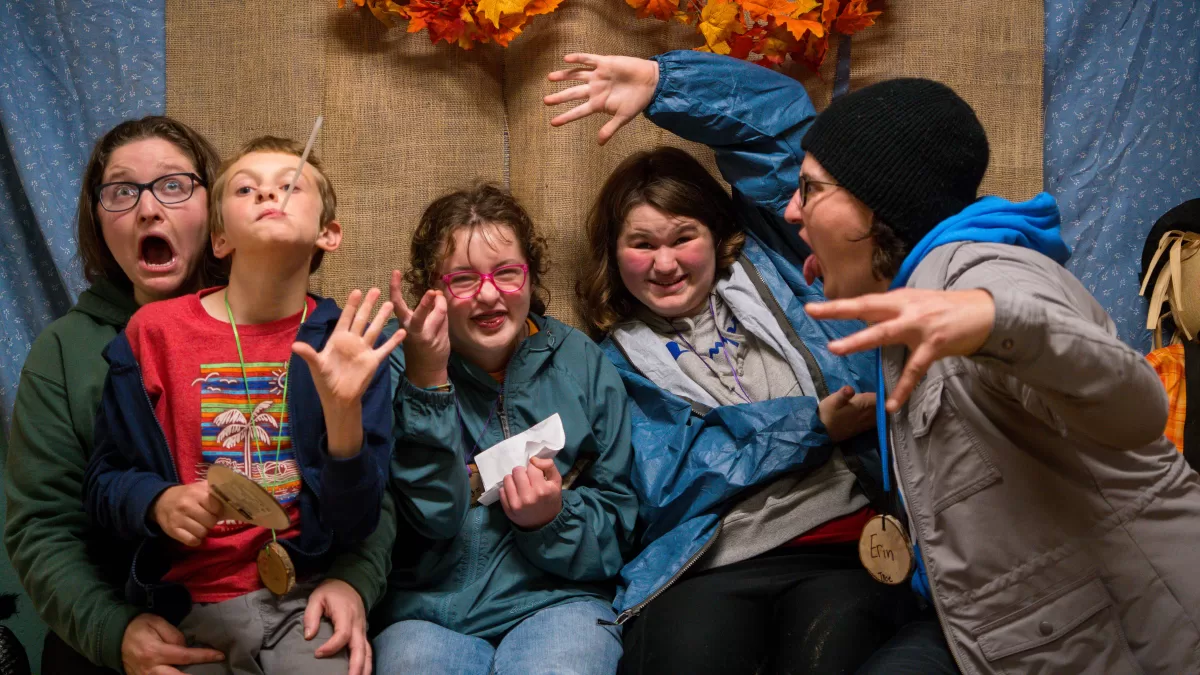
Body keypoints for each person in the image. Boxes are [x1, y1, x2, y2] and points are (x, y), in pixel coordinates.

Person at [548, 52, 954, 674]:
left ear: (718, 232)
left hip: (842, 545)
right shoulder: (606, 362)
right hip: (707, 565)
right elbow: (666, 484)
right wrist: (811, 425)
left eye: (682, 236)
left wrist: (665, 85)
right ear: (613, 253)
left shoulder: (794, 268)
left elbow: (786, 132)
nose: (665, 264)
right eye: (642, 244)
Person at [793, 77, 1200, 672]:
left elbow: (1135, 404)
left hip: (1133, 641)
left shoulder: (981, 274)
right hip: (1001, 632)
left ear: (879, 206)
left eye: (809, 188)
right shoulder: (914, 290)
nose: (790, 209)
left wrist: (996, 318)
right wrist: (663, 86)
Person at [83, 136, 401, 675]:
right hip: (180, 613)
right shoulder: (153, 334)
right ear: (221, 238)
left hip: (302, 601)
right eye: (246, 187)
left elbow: (357, 522)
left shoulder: (347, 344)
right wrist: (157, 502)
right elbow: (103, 480)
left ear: (329, 233)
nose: (267, 194)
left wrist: (344, 415)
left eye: (290, 185)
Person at [371, 183, 636, 675]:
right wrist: (427, 382)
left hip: (557, 602)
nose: (490, 295)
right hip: (429, 611)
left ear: (530, 278)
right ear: (432, 287)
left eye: (507, 274)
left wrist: (552, 517)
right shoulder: (392, 364)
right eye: (464, 280)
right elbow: (424, 520)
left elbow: (621, 522)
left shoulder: (581, 362)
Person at [4, 116, 235, 675]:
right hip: (117, 636)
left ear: (216, 210)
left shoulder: (280, 326)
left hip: (268, 615)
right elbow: (42, 526)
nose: (148, 209)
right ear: (98, 220)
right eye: (122, 191)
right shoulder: (64, 351)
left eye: (174, 185)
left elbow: (364, 483)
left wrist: (352, 583)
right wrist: (114, 632)